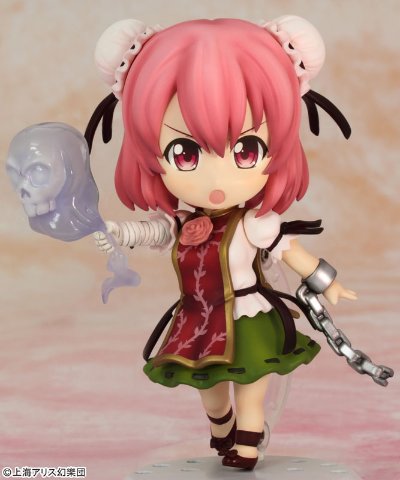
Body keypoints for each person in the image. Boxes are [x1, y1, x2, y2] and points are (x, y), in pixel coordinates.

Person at [91, 16, 356, 470]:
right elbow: (152, 232)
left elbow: (290, 251)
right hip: (197, 317)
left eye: (246, 151)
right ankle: (222, 428)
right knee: (210, 390)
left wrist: (326, 281)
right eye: (185, 153)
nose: (218, 179)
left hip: (249, 316)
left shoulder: (255, 224)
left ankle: (247, 445)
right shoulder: (181, 221)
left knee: (251, 384)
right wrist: (116, 232)